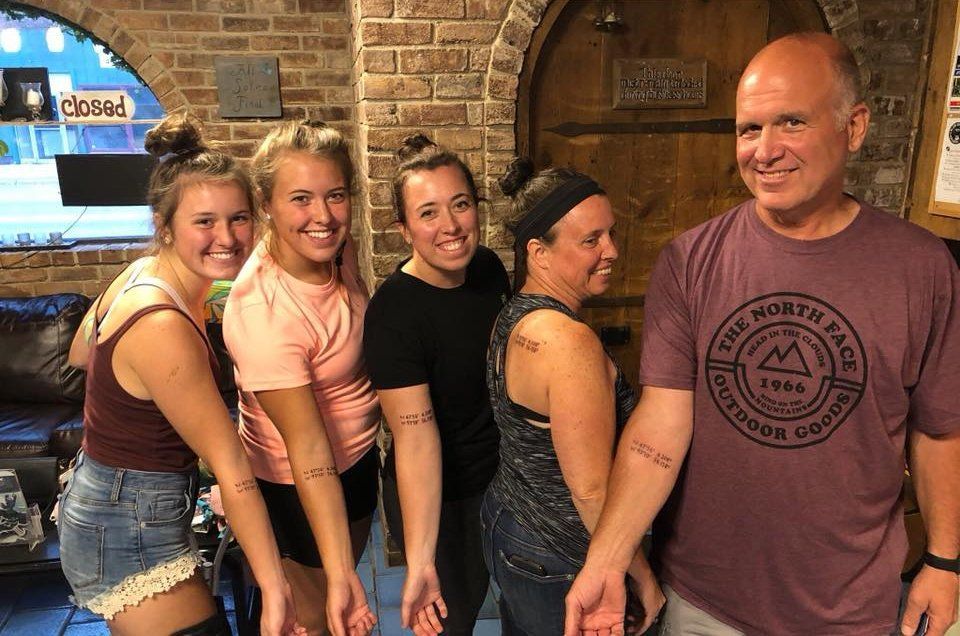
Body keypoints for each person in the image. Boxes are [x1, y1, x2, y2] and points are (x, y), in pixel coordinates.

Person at [565, 32, 960, 636]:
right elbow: (661, 426)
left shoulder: (923, 268)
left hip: (849, 609)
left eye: (791, 123)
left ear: (853, 128)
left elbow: (938, 429)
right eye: (749, 129)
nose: (764, 151)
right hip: (705, 600)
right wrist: (607, 558)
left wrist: (943, 561)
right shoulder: (690, 260)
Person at [60, 113, 303, 636]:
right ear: (165, 225)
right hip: (128, 525)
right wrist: (277, 589)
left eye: (239, 218)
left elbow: (82, 352)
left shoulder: (139, 273)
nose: (227, 236)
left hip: (107, 498)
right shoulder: (163, 324)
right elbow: (231, 468)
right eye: (205, 222)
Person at [481, 158, 664, 636]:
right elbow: (591, 489)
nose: (612, 251)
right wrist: (640, 574)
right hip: (561, 554)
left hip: (508, 522)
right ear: (539, 252)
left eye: (610, 234)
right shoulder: (568, 341)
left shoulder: (514, 313)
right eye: (591, 241)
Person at [222, 120, 378, 636]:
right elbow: (307, 450)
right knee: (316, 620)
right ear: (266, 202)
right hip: (296, 487)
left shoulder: (337, 251)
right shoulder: (263, 311)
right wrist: (337, 574)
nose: (323, 216)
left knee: (341, 612)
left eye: (335, 195)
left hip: (352, 467)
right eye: (301, 199)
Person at [362, 135, 510, 635]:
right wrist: (421, 558)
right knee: (452, 624)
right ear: (404, 228)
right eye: (428, 213)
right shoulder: (395, 313)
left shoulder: (489, 269)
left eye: (461, 205)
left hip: (505, 482)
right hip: (439, 500)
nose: (450, 226)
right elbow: (416, 438)